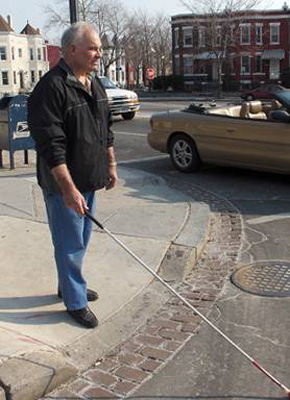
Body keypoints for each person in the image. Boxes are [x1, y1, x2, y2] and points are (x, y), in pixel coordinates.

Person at [28, 22, 117, 329]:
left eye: (100, 49)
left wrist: (110, 165)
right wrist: (67, 188)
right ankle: (74, 301)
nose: (98, 54)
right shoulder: (50, 88)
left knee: (80, 241)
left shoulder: (95, 84)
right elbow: (51, 145)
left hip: (90, 178)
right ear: (71, 50)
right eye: (93, 48)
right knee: (70, 244)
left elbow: (106, 129)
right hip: (64, 184)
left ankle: (68, 284)